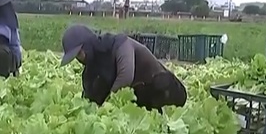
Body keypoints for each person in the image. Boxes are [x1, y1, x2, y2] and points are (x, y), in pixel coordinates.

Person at [59, 24, 187, 111]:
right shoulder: (93, 67)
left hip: (166, 92)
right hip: (140, 101)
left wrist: (106, 105)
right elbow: (90, 95)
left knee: (160, 84)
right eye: (76, 56)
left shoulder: (119, 43)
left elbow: (126, 76)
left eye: (80, 53)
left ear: (88, 44)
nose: (80, 58)